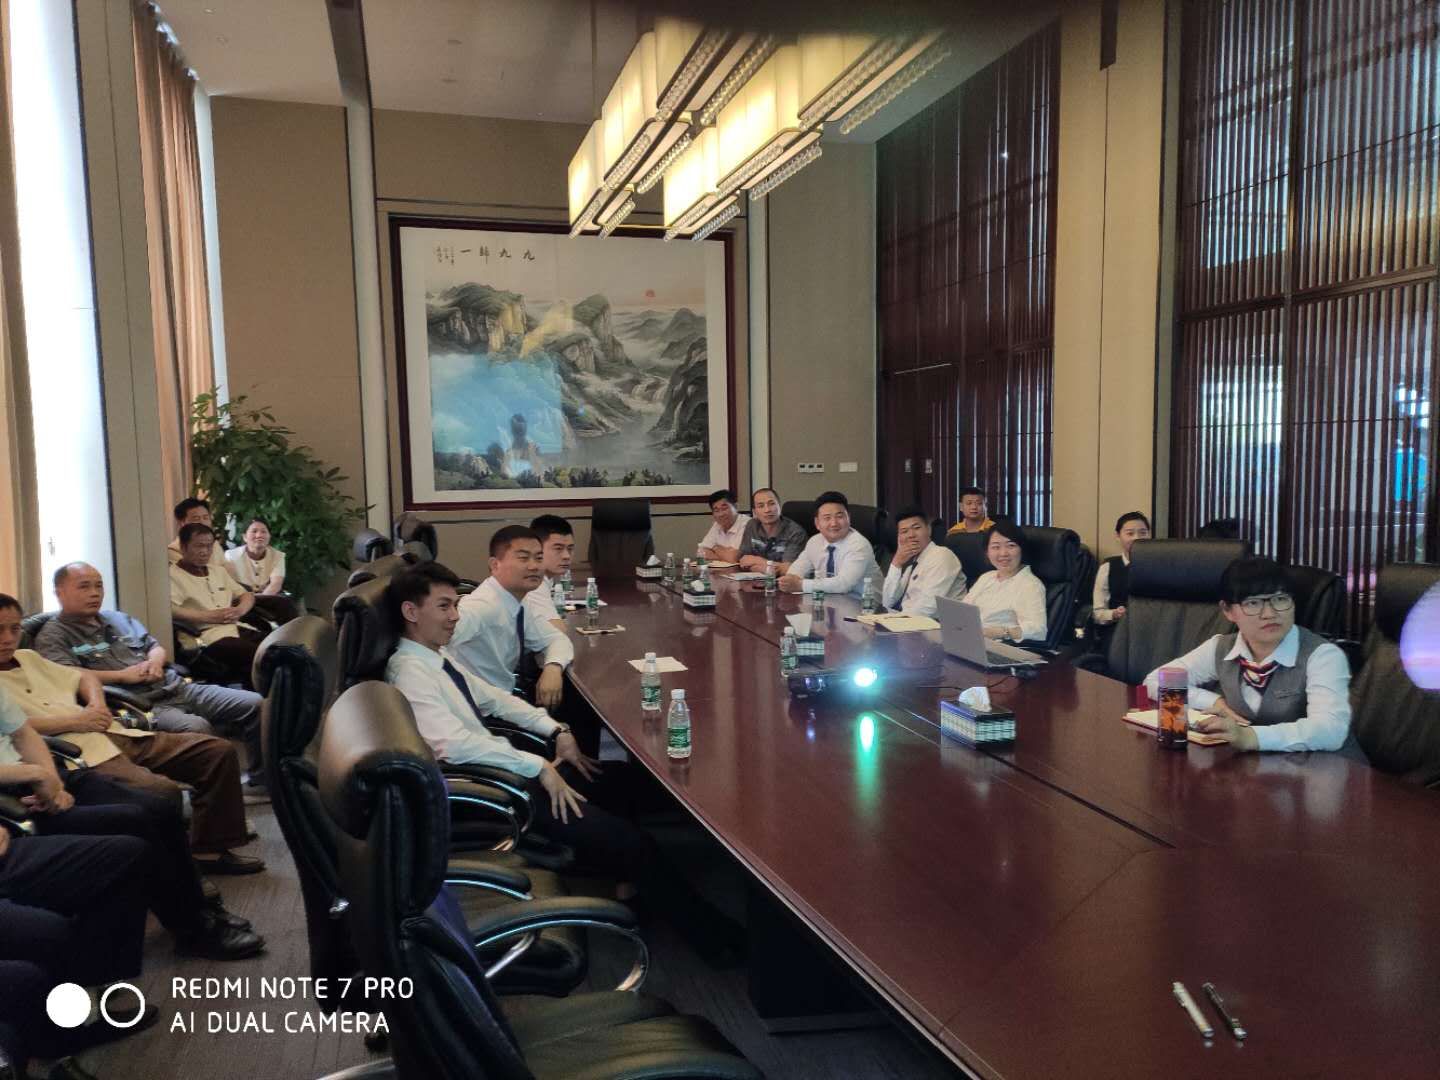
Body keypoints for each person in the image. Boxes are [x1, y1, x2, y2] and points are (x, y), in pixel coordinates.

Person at [385, 562, 741, 962]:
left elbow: (495, 700)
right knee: (633, 843)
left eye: (455, 605)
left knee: (623, 781)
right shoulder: (410, 672)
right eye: (444, 606)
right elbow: (452, 746)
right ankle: (715, 942)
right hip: (498, 793)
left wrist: (556, 730)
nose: (455, 616)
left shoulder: (435, 658)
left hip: (508, 769)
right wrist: (537, 766)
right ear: (411, 611)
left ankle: (637, 889)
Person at [0, 594, 261, 874]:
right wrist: (78, 720)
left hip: (115, 731)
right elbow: (17, 729)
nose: (8, 639)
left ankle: (209, 850)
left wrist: (96, 704)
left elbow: (84, 677)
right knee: (161, 792)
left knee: (215, 752)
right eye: (0, 630)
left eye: (15, 629)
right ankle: (173, 870)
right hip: (77, 751)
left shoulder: (29, 658)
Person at [0, 684, 263, 959]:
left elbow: (23, 733)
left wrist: (51, 779)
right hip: (10, 800)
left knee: (158, 808)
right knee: (133, 821)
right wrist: (35, 775)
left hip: (37, 776)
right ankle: (193, 928)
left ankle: (198, 908)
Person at [33, 562, 264, 785]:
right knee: (197, 727)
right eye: (84, 586)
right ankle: (207, 798)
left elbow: (154, 646)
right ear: (59, 592)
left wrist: (155, 661)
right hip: (140, 705)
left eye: (99, 585)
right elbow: (66, 674)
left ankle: (259, 780)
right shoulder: (52, 635)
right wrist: (122, 676)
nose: (95, 593)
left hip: (177, 687)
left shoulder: (118, 618)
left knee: (256, 704)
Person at [1143, 557, 1353, 753]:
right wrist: (1214, 702)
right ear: (1227, 611)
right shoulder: (1221, 647)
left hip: (1315, 769)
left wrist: (1251, 736)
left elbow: (1331, 729)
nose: (1269, 613)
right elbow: (1155, 680)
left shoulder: (1323, 655)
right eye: (1253, 603)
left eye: (1280, 599)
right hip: (1248, 768)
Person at [451, 526, 575, 711]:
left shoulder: (517, 601)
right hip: (480, 711)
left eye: (538, 558)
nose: (534, 566)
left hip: (505, 701)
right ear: (495, 565)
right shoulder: (479, 607)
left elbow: (556, 639)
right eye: (523, 558)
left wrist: (553, 667)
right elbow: (433, 650)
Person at [170, 523, 263, 688]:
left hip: (235, 628)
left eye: (209, 546)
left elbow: (246, 595)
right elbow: (170, 610)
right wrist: (208, 617)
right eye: (199, 546)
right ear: (183, 548)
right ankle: (260, 699)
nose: (205, 551)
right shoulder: (172, 576)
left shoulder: (217, 571)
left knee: (277, 646)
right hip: (205, 639)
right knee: (261, 656)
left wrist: (239, 610)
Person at [779, 491, 882, 600]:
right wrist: (790, 579)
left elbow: (844, 584)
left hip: (865, 603)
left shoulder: (859, 545)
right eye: (827, 518)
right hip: (831, 601)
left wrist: (801, 585)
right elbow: (798, 568)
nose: (834, 523)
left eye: (839, 516)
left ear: (849, 518)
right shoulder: (815, 542)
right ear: (817, 523)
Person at [964, 521, 1047, 643]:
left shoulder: (1030, 585)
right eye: (996, 547)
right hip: (970, 639)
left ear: (1022, 549)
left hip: (998, 646)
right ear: (987, 552)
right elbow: (964, 610)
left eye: (1011, 546)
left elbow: (1038, 630)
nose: (1003, 553)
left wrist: (1002, 632)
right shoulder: (986, 577)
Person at [882, 506, 966, 617]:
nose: (911, 535)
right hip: (909, 620)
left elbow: (928, 608)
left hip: (936, 624)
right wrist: (896, 563)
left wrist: (895, 620)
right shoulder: (912, 565)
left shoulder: (942, 556)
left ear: (929, 529)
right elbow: (887, 601)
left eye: (916, 528)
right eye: (904, 531)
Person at [225, 517, 301, 625]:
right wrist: (249, 598)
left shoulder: (278, 556)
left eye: (263, 532)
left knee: (286, 605)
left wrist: (261, 598)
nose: (259, 535)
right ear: (245, 537)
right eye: (254, 531)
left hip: (267, 596)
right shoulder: (231, 556)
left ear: (269, 536)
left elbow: (276, 584)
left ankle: (292, 633)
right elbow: (231, 584)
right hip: (241, 599)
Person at [1093, 511, 1151, 626]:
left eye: (1143, 533)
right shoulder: (1108, 567)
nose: (1137, 538)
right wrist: (1114, 614)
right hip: (1118, 629)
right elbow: (1097, 614)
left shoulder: (1159, 566)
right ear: (1118, 536)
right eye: (1130, 533)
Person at [733, 487, 807, 571]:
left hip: (783, 579)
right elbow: (744, 560)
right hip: (753, 577)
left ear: (779, 506)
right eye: (761, 506)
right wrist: (769, 568)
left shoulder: (795, 532)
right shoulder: (752, 525)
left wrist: (758, 561)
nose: (767, 510)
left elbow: (789, 569)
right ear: (754, 511)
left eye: (771, 504)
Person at [526, 514, 574, 629]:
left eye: (570, 548)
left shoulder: (543, 577)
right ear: (536, 548)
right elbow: (557, 631)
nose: (566, 556)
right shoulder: (532, 582)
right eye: (558, 549)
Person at [167, 496, 227, 571]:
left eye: (205, 518)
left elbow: (226, 571)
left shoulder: (215, 545)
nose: (203, 523)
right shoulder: (173, 551)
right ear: (182, 523)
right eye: (196, 519)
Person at [697, 489, 750, 561]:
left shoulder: (747, 524)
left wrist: (714, 547)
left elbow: (733, 557)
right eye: (716, 510)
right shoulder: (717, 524)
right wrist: (724, 555)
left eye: (724, 508)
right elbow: (701, 552)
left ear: (735, 507)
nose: (721, 514)